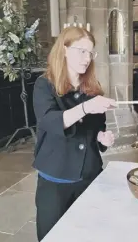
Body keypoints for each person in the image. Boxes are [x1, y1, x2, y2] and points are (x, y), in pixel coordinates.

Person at [32, 26, 116, 241]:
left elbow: (96, 128)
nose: (87, 58)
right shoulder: (44, 86)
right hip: (56, 179)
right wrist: (86, 108)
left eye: (90, 53)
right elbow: (51, 122)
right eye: (81, 51)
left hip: (89, 175)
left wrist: (101, 138)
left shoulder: (92, 89)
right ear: (64, 49)